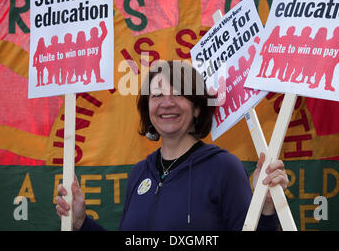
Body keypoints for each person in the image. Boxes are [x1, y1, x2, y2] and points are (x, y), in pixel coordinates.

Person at [55, 60, 289, 231]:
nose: (167, 103)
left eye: (178, 94)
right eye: (157, 95)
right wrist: (81, 223)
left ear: (197, 108)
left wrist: (266, 208)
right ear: (148, 108)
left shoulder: (224, 168)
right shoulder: (140, 172)